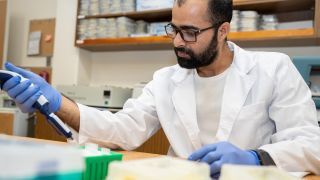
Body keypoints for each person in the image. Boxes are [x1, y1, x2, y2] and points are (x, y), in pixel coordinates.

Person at [2, 0, 320, 178]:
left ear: (223, 31)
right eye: (174, 29)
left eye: (190, 32)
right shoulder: (167, 79)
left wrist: (256, 157)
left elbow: (312, 145)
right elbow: (122, 130)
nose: (178, 41)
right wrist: (56, 101)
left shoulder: (273, 69)